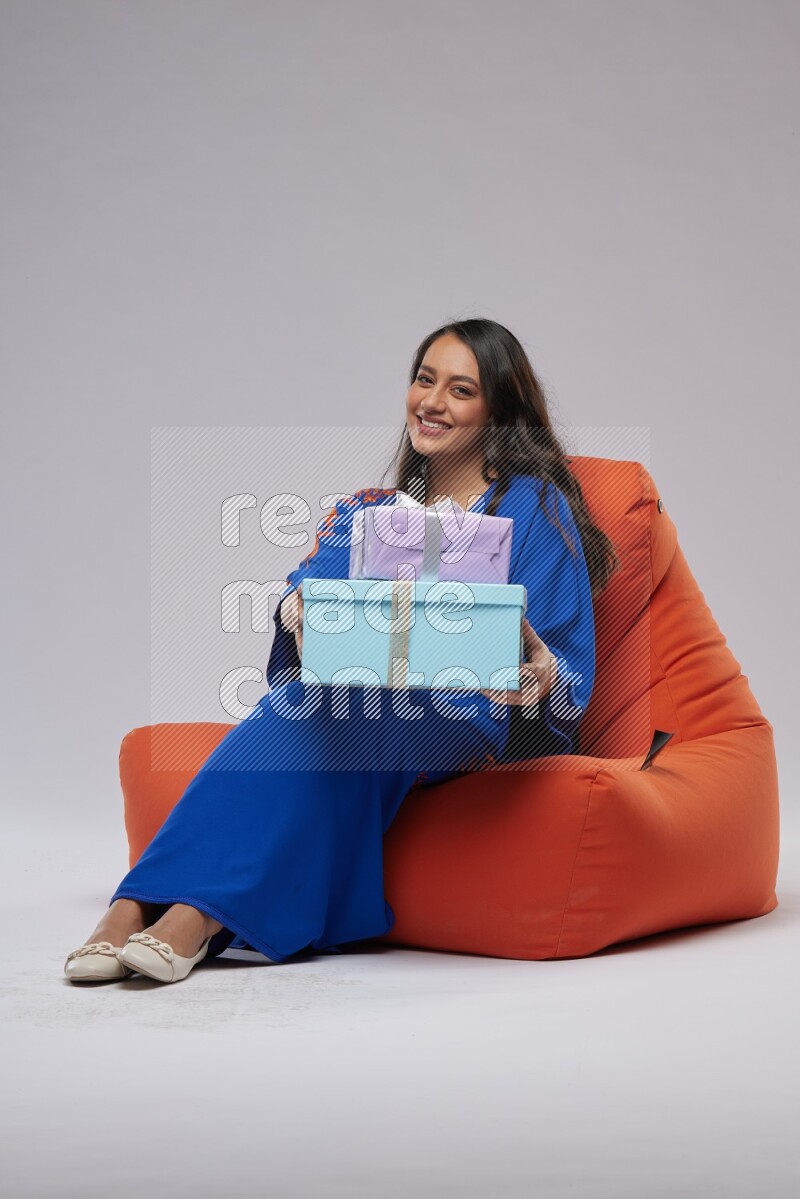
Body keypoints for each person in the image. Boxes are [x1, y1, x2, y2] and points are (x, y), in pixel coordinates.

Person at [64, 318, 619, 984]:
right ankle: (137, 908)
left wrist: (537, 675)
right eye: (424, 379)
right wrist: (298, 606)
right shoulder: (372, 511)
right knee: (312, 697)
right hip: (359, 697)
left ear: (495, 412)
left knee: (325, 705)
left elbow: (562, 675)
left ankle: (189, 915)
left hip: (468, 719)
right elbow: (312, 588)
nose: (431, 401)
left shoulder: (536, 507)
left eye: (460, 389)